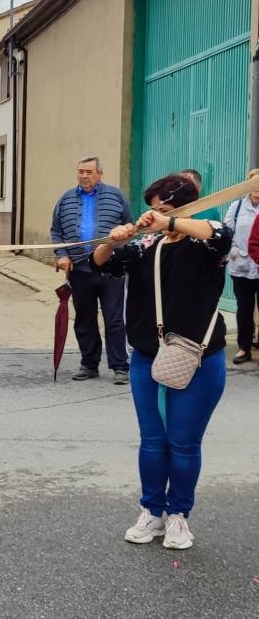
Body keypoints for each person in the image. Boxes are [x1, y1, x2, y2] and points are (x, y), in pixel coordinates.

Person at [92, 174, 230, 551]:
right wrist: (112, 239)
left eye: (164, 209)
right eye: (151, 208)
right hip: (149, 356)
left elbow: (218, 234)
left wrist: (169, 222)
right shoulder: (146, 245)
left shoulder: (208, 239)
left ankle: (179, 515)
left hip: (200, 358)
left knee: (183, 443)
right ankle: (151, 510)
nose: (153, 216)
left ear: (186, 208)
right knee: (153, 441)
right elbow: (102, 263)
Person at [50, 156, 133, 384]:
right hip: (79, 270)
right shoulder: (66, 199)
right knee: (84, 318)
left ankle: (120, 366)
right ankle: (89, 364)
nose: (84, 176)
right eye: (80, 172)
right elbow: (56, 232)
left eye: (89, 172)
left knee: (114, 318)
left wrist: (122, 254)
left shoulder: (116, 196)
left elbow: (129, 228)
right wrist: (62, 256)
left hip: (110, 270)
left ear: (99, 174)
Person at [223, 169, 259, 364]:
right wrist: (233, 252)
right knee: (244, 308)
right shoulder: (236, 207)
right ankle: (244, 347)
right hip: (242, 265)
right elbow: (226, 233)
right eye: (253, 185)